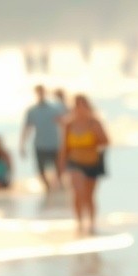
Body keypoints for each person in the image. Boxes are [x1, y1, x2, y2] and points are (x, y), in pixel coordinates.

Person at [58, 94, 110, 234]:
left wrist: (94, 137)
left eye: (83, 105)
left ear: (87, 107)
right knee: (78, 192)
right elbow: (64, 147)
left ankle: (91, 223)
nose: (80, 109)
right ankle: (79, 222)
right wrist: (61, 166)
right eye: (77, 105)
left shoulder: (94, 123)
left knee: (89, 196)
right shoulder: (68, 124)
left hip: (92, 162)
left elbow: (106, 141)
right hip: (75, 162)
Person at [20, 84, 63, 191]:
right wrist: (22, 145)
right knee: (40, 171)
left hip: (54, 143)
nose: (40, 94)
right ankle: (48, 188)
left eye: (42, 92)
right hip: (40, 144)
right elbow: (27, 128)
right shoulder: (32, 111)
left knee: (59, 168)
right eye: (38, 92)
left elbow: (63, 124)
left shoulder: (55, 109)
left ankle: (58, 188)